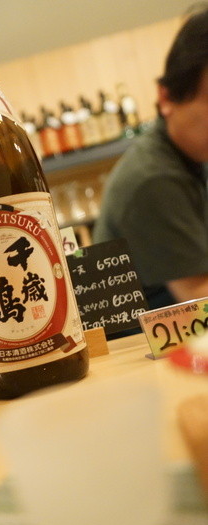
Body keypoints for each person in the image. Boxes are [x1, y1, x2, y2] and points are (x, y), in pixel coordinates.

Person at [93, 8, 208, 310]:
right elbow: (199, 296)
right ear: (166, 97)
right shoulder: (155, 178)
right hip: (139, 338)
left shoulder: (194, 156)